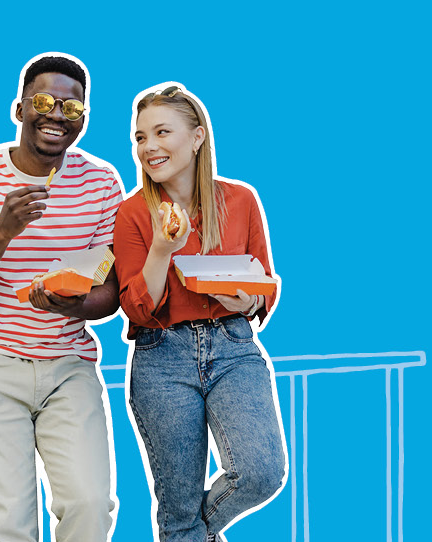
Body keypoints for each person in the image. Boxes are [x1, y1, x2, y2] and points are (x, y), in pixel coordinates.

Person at [0, 52, 124, 542]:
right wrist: (2, 230)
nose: (57, 114)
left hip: (69, 366)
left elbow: (111, 292)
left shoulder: (101, 182)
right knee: (5, 527)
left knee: (89, 504)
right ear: (19, 109)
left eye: (72, 107)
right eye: (44, 100)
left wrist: (76, 304)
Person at [114, 84, 287, 542]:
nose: (149, 146)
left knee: (261, 472)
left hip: (234, 349)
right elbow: (135, 307)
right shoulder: (132, 214)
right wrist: (161, 251)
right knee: (177, 502)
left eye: (161, 132)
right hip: (161, 357)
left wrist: (249, 301)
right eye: (140, 137)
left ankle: (186, 532)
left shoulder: (241, 200)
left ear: (196, 138)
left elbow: (265, 284)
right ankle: (183, 529)